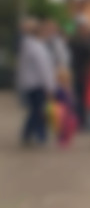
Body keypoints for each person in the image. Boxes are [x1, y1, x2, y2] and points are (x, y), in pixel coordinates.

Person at [17, 18, 55, 146]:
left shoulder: (28, 45)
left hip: (30, 83)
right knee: (37, 111)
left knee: (37, 110)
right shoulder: (37, 47)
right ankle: (28, 134)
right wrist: (50, 86)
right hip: (37, 84)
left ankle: (40, 135)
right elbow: (44, 68)